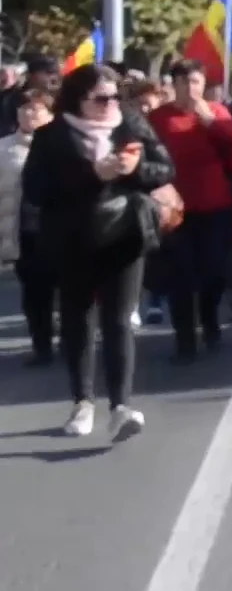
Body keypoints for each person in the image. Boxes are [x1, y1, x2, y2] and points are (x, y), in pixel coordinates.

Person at [24, 63, 176, 440]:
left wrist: (135, 168)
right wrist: (94, 174)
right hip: (73, 239)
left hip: (124, 234)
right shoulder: (51, 135)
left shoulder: (131, 123)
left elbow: (165, 169)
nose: (111, 104)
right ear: (79, 99)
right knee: (78, 319)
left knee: (120, 319)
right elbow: (37, 191)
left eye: (115, 96)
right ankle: (83, 402)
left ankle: (121, 406)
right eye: (101, 98)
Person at [147, 60, 232, 361]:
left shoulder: (215, 112)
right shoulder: (159, 117)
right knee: (181, 275)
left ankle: (210, 321)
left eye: (197, 82)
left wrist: (212, 123)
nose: (192, 89)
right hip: (175, 208)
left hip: (215, 204)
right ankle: (185, 339)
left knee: (214, 272)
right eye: (186, 82)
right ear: (174, 85)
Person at [0, 89, 54, 363]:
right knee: (34, 294)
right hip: (25, 233)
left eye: (37, 109)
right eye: (25, 109)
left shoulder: (62, 145)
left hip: (62, 230)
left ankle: (74, 342)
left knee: (70, 292)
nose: (30, 114)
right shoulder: (4, 148)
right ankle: (41, 346)